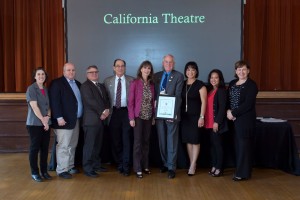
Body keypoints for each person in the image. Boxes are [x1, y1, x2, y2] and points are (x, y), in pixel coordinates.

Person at [49, 62, 83, 179]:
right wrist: (59, 117)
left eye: (73, 70)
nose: (71, 72)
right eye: (68, 70)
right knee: (63, 145)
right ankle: (62, 169)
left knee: (72, 145)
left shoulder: (78, 84)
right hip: (63, 121)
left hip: (76, 120)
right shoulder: (57, 83)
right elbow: (54, 101)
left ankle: (69, 166)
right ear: (63, 71)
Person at [227, 60, 258, 181]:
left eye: (244, 69)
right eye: (239, 69)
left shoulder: (252, 85)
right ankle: (239, 170)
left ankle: (243, 173)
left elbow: (248, 104)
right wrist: (228, 112)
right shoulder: (233, 83)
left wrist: (233, 113)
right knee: (238, 146)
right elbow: (228, 100)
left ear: (248, 71)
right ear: (235, 71)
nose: (241, 72)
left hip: (245, 120)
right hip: (233, 119)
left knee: (244, 146)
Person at [153, 54, 184, 179]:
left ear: (174, 63)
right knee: (162, 140)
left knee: (171, 141)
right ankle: (165, 163)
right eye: (166, 62)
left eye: (171, 62)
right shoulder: (157, 76)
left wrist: (173, 113)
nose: (168, 64)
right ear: (162, 62)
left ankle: (172, 167)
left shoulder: (179, 76)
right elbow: (154, 94)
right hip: (159, 114)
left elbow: (178, 97)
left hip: (171, 113)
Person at [104, 59, 134, 176]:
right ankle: (119, 163)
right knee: (116, 140)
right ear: (114, 68)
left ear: (125, 67)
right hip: (113, 113)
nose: (120, 68)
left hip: (126, 112)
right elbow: (105, 99)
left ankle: (126, 165)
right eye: (118, 66)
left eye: (122, 66)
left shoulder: (131, 80)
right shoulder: (107, 81)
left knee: (126, 139)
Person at [80, 65, 110, 178]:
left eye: (96, 72)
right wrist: (102, 112)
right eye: (91, 72)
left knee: (97, 145)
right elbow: (90, 102)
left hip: (101, 121)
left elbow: (106, 99)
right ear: (87, 74)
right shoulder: (85, 86)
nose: (94, 74)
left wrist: (107, 110)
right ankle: (88, 168)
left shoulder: (101, 86)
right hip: (91, 121)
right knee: (89, 145)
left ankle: (96, 165)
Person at [128, 60, 155, 179]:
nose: (147, 70)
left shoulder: (152, 84)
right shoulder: (135, 83)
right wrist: (131, 118)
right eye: (145, 68)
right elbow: (131, 102)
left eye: (149, 68)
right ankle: (137, 168)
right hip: (138, 117)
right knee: (138, 143)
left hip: (149, 117)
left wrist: (153, 116)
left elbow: (153, 102)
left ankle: (145, 166)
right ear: (141, 69)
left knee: (146, 142)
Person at [180, 61, 207, 176]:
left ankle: (193, 164)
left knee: (195, 141)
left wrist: (202, 117)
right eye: (188, 69)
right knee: (188, 141)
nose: (190, 72)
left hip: (196, 117)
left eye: (192, 70)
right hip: (184, 118)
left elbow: (204, 102)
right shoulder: (182, 83)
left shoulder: (200, 84)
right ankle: (192, 163)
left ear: (196, 71)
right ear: (185, 71)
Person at [26, 67, 52, 182]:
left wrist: (48, 118)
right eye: (39, 74)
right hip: (34, 124)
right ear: (35, 76)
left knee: (45, 149)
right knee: (34, 149)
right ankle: (35, 172)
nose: (41, 76)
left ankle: (44, 171)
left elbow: (49, 107)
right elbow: (35, 107)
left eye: (43, 74)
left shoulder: (45, 89)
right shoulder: (31, 89)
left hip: (46, 123)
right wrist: (43, 120)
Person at [204, 69, 228, 177]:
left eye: (216, 77)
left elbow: (222, 108)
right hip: (208, 122)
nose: (213, 79)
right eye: (212, 77)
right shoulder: (209, 90)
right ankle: (214, 165)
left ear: (220, 79)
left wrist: (217, 122)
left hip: (216, 123)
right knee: (212, 146)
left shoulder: (221, 90)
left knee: (218, 146)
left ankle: (219, 168)